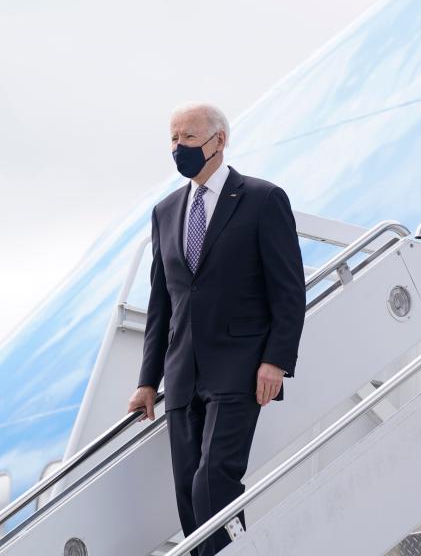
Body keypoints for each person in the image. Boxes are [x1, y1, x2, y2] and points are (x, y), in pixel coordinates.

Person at [127, 103, 306, 555]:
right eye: (172, 139)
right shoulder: (165, 212)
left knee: (214, 480)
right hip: (183, 372)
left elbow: (288, 290)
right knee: (189, 494)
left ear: (219, 140)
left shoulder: (263, 199)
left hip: (241, 368)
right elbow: (161, 301)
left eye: (188, 138)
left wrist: (276, 360)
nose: (178, 148)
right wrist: (148, 380)